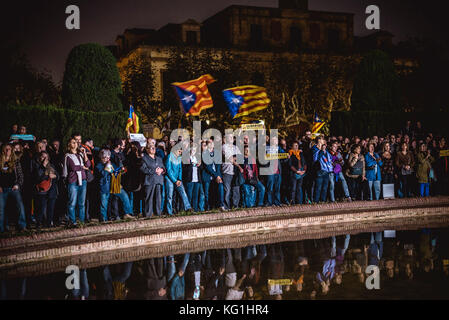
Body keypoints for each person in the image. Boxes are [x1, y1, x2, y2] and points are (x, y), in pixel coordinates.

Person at [95, 149, 134, 222]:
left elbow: (116, 171)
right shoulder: (99, 165)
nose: (108, 159)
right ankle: (104, 219)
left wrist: (123, 170)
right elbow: (103, 174)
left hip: (114, 185)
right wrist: (107, 167)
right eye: (106, 157)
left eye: (108, 157)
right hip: (105, 187)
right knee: (104, 204)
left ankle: (127, 213)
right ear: (101, 157)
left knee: (124, 196)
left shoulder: (111, 164)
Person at [62, 138, 91, 226]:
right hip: (73, 181)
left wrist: (85, 153)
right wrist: (83, 167)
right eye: (73, 142)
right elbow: (73, 167)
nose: (75, 144)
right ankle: (73, 221)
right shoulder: (68, 156)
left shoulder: (80, 155)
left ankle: (81, 221)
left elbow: (88, 164)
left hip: (82, 180)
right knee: (72, 203)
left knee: (82, 203)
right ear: (69, 145)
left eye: (76, 142)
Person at [0, 143, 26, 232]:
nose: (7, 151)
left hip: (13, 188)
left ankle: (22, 226)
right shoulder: (0, 161)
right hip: (2, 189)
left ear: (12, 151)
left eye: (9, 149)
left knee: (20, 206)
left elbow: (21, 176)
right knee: (1, 209)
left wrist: (17, 185)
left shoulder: (16, 161)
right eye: (6, 149)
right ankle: (2, 229)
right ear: (3, 150)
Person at [32, 151, 59, 228]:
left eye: (46, 157)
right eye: (43, 157)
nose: (44, 159)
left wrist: (55, 176)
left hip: (52, 191)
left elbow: (58, 176)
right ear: (39, 158)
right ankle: (39, 223)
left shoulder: (51, 166)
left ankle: (49, 223)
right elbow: (38, 178)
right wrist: (45, 171)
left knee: (50, 208)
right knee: (41, 209)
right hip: (42, 191)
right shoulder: (37, 166)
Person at [164, 147, 192, 215]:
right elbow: (168, 170)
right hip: (169, 179)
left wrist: (179, 179)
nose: (180, 153)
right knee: (169, 196)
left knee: (183, 192)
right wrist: (175, 180)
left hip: (177, 179)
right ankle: (169, 212)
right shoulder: (169, 157)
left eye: (181, 151)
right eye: (179, 151)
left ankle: (188, 207)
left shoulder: (179, 158)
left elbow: (180, 169)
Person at [141, 144, 166, 217]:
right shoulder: (144, 158)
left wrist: (162, 170)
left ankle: (158, 213)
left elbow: (163, 168)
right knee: (149, 198)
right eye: (151, 148)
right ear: (147, 149)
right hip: (149, 181)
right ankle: (148, 214)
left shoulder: (159, 158)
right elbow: (143, 169)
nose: (153, 149)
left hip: (158, 180)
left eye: (154, 148)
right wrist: (154, 171)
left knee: (158, 197)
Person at [202, 140, 225, 211]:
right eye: (209, 143)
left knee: (220, 187)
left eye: (212, 143)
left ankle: (220, 205)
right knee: (207, 193)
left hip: (216, 176)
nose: (210, 144)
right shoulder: (204, 153)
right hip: (207, 176)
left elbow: (218, 166)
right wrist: (216, 175)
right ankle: (208, 208)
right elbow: (207, 167)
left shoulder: (217, 153)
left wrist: (218, 176)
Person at [312, 136, 333, 203]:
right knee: (318, 186)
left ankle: (323, 200)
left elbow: (329, 158)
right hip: (319, 170)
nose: (323, 141)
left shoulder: (325, 149)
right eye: (322, 140)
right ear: (318, 141)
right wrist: (321, 151)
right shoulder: (314, 149)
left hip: (326, 170)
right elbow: (316, 159)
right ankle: (316, 201)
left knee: (325, 187)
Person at [183, 143, 203, 212]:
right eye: (192, 150)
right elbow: (184, 169)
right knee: (189, 195)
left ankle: (195, 209)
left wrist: (199, 165)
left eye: (194, 150)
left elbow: (201, 168)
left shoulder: (197, 157)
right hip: (189, 179)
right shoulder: (186, 157)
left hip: (197, 179)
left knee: (195, 195)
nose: (193, 151)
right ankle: (188, 209)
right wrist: (190, 165)